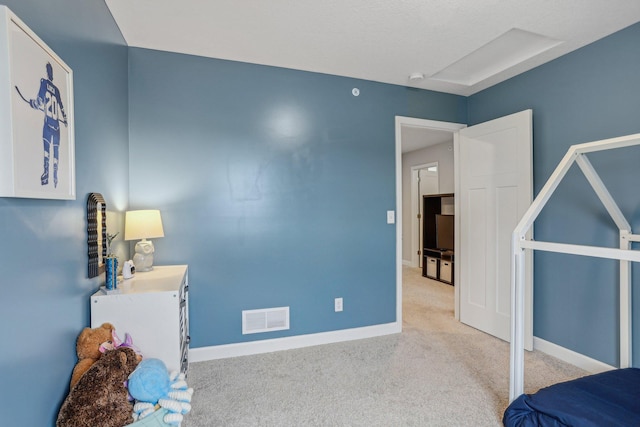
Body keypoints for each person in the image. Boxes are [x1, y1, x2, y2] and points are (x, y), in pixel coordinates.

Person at [28, 62, 67, 187]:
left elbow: (39, 101)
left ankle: (47, 174)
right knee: (55, 151)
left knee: (47, 150)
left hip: (49, 123)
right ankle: (54, 175)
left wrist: (33, 103)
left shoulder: (44, 83)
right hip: (56, 125)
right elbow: (61, 107)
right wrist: (65, 119)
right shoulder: (57, 90)